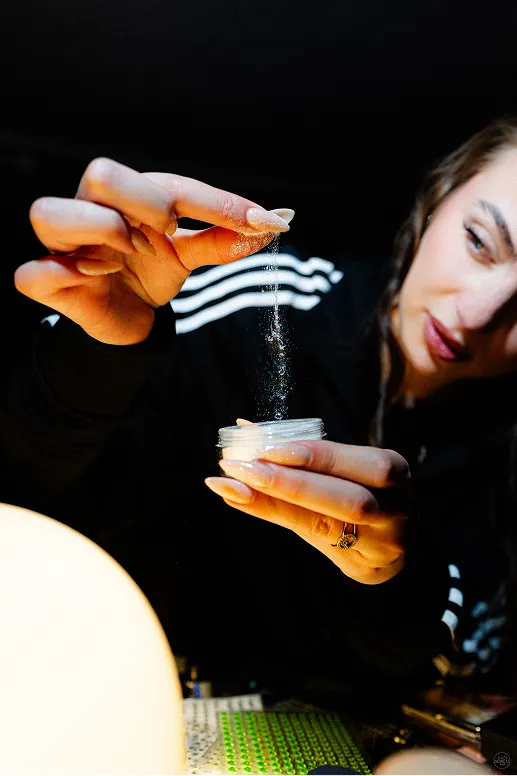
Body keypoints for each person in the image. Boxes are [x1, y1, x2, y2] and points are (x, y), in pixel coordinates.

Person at [2, 117, 517, 712]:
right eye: (480, 242)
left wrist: (392, 575)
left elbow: (470, 663)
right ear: (436, 198)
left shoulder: (501, 448)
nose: (479, 314)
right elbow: (30, 492)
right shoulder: (257, 302)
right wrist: (99, 348)